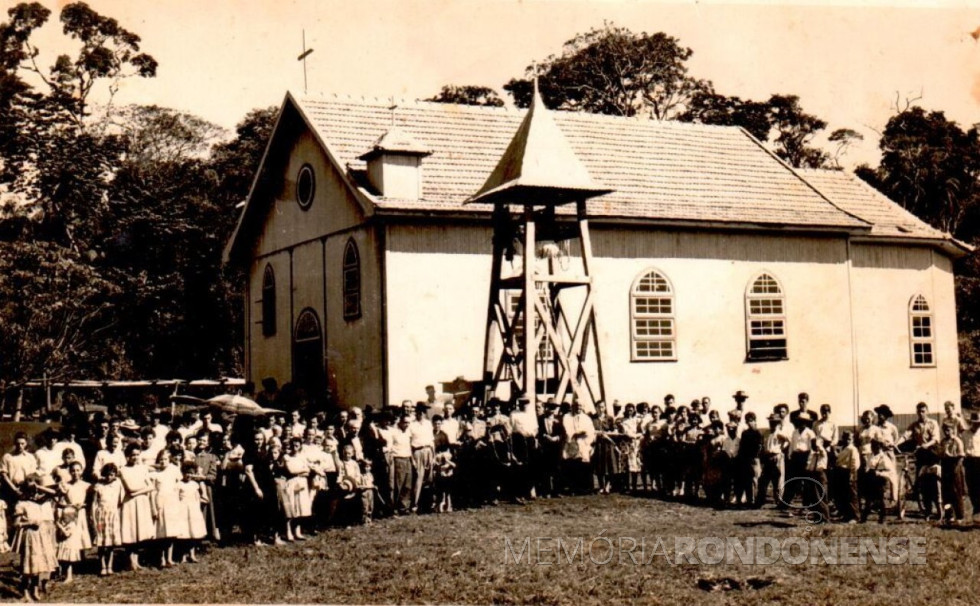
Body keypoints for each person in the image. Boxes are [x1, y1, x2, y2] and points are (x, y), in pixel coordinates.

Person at [13, 478, 58, 601]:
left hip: (42, 536)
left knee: (39, 564)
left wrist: (38, 485)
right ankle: (25, 591)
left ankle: (35, 588)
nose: (33, 493)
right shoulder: (21, 504)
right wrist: (29, 522)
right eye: (29, 490)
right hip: (30, 536)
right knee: (29, 565)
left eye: (34, 490)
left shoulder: (41, 502)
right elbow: (16, 524)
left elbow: (54, 493)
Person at [120, 443, 155, 570]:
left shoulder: (142, 468)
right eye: (132, 455)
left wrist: (138, 492)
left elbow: (151, 486)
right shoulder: (122, 470)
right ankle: (130, 562)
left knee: (139, 531)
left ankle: (136, 561)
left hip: (141, 502)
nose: (135, 457)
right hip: (129, 503)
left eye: (137, 455)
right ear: (127, 456)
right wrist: (143, 489)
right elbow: (130, 489)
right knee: (131, 531)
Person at [55, 461, 91, 582]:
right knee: (69, 543)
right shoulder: (66, 485)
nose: (75, 473)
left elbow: (91, 502)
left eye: (78, 470)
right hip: (69, 516)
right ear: (70, 472)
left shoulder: (87, 485)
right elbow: (58, 501)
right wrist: (68, 506)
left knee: (79, 542)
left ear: (81, 471)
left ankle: (81, 567)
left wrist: (82, 505)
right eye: (73, 470)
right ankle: (68, 574)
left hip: (80, 515)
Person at [151, 449, 184, 568]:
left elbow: (179, 484)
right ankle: (162, 558)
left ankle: (169, 558)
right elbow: (153, 491)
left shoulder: (174, 470)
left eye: (165, 459)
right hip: (160, 502)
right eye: (161, 460)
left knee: (171, 532)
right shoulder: (155, 474)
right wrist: (155, 507)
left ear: (169, 460)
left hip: (172, 502)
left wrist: (180, 495)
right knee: (161, 531)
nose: (163, 462)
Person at [90, 463, 124, 576]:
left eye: (112, 475)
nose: (109, 477)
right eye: (107, 475)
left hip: (112, 515)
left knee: (110, 543)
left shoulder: (118, 484)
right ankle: (102, 566)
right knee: (101, 542)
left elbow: (120, 500)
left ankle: (110, 565)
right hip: (101, 516)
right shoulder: (99, 485)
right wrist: (93, 517)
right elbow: (94, 503)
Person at [562, 401, 596, 495]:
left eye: (580, 405)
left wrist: (587, 437)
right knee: (573, 466)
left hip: (584, 443)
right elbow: (567, 429)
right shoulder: (567, 417)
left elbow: (591, 431)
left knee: (585, 466)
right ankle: (573, 489)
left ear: (583, 407)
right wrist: (576, 433)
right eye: (576, 405)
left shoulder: (587, 418)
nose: (578, 407)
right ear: (573, 406)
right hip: (572, 443)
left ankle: (586, 489)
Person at [176, 461, 208, 562]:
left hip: (193, 510)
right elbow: (176, 498)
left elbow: (197, 497)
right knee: (184, 533)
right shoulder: (179, 484)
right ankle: (183, 556)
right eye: (186, 473)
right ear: (182, 473)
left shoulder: (195, 484)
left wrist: (201, 502)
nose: (188, 475)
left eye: (191, 473)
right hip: (182, 510)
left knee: (193, 532)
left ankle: (192, 554)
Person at [757, 414, 788, 508]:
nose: (772, 424)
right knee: (763, 480)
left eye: (775, 422)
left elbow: (787, 441)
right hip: (767, 457)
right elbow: (763, 444)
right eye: (771, 422)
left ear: (778, 423)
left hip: (777, 456)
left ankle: (779, 501)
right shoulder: (766, 433)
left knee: (778, 480)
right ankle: (760, 501)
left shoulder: (780, 433)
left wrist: (781, 449)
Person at [939, 423, 967, 524]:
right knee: (946, 493)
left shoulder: (957, 441)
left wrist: (956, 468)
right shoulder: (943, 441)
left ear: (953, 430)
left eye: (949, 430)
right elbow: (940, 454)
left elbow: (961, 456)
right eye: (945, 430)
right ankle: (949, 515)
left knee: (956, 492)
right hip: (945, 467)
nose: (947, 432)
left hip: (955, 466)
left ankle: (959, 516)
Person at [409, 405, 435, 512]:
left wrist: (433, 455)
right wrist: (413, 459)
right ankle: (414, 504)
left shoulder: (428, 424)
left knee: (429, 478)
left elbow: (431, 441)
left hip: (428, 450)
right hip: (418, 451)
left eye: (422, 412)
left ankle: (427, 504)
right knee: (418, 478)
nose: (420, 414)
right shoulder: (412, 425)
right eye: (418, 412)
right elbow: (409, 443)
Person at [735, 412, 763, 507]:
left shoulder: (758, 433)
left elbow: (759, 447)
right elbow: (742, 447)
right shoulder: (745, 433)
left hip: (754, 459)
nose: (749, 423)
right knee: (746, 480)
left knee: (755, 480)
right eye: (747, 421)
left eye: (750, 421)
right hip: (745, 460)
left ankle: (755, 501)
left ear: (755, 421)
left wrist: (755, 457)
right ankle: (749, 500)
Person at [833, 431, 861, 523]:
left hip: (850, 472)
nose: (847, 441)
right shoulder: (842, 448)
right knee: (843, 495)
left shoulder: (852, 449)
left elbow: (855, 463)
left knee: (852, 495)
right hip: (841, 472)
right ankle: (846, 515)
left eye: (850, 439)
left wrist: (852, 474)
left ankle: (855, 517)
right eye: (846, 438)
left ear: (852, 440)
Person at [2, 432, 38, 503]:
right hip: (10, 490)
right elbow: (4, 475)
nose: (20, 446)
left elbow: (32, 475)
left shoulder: (30, 457)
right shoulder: (7, 457)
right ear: (15, 443)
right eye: (18, 443)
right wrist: (15, 489)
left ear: (26, 443)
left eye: (22, 443)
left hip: (26, 490)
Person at [389, 414, 414, 515]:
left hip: (408, 458)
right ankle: (394, 508)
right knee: (398, 485)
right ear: (400, 422)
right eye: (405, 422)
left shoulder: (408, 432)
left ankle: (404, 508)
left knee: (407, 485)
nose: (406, 424)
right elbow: (390, 446)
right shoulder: (394, 432)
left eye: (408, 422)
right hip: (398, 459)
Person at [963, 412, 980, 522]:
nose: (977, 425)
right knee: (971, 487)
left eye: (978, 423)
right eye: (974, 423)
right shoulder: (965, 434)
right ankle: (976, 508)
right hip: (969, 461)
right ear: (971, 423)